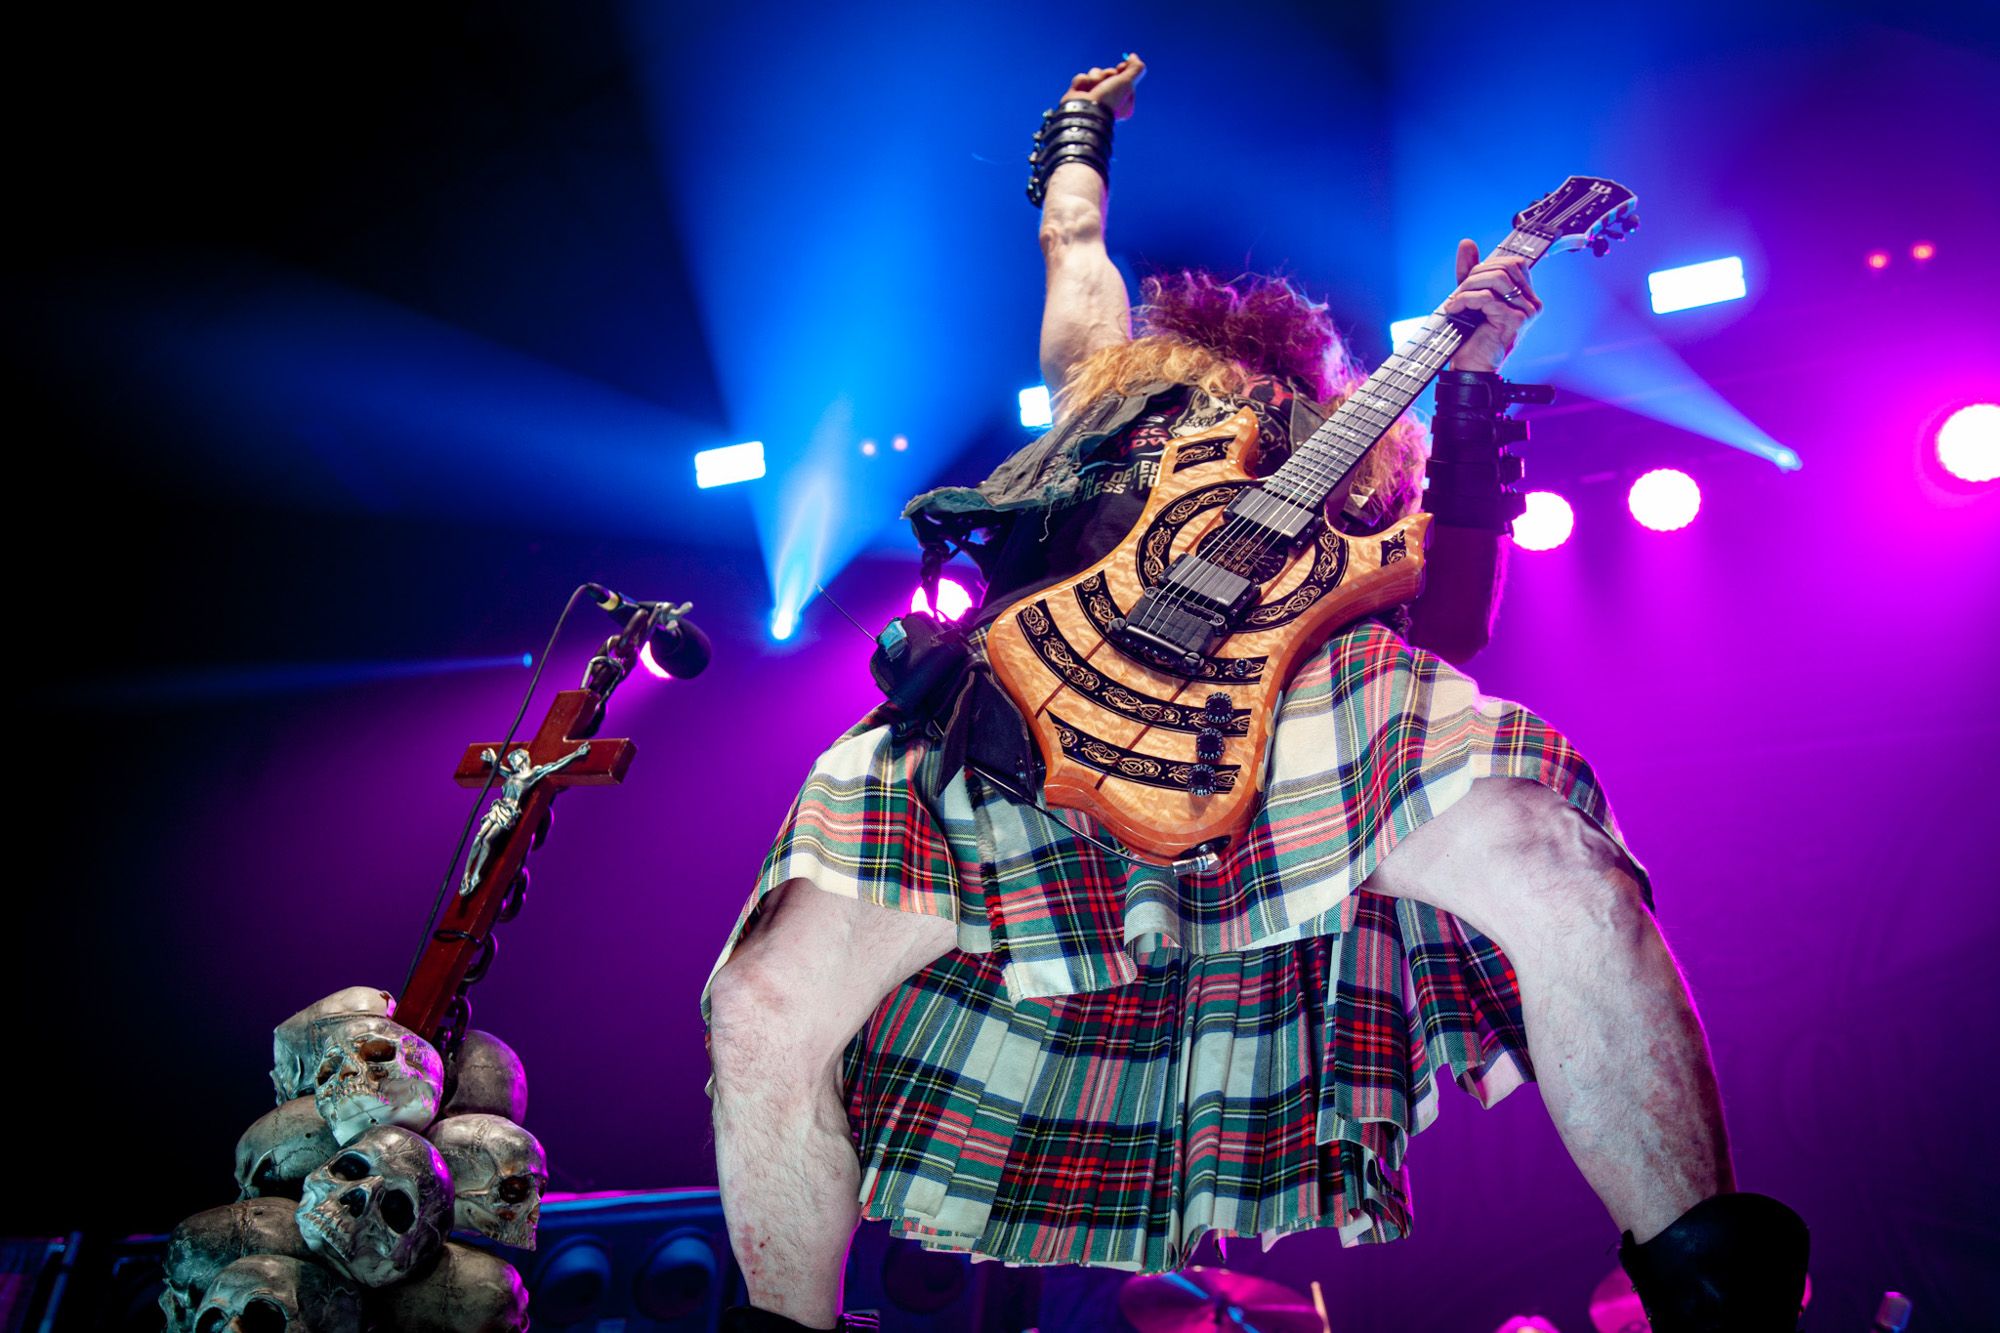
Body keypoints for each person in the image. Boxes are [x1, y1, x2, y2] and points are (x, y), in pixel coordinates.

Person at [703, 55, 1808, 1333]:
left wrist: (1468, 375)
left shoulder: (1352, 476)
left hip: (1291, 701)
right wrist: (1078, 132)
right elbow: (1071, 244)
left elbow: (1453, 613)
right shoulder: (1111, 385)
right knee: (763, 1003)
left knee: (1554, 866)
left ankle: (1719, 1304)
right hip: (1024, 704)